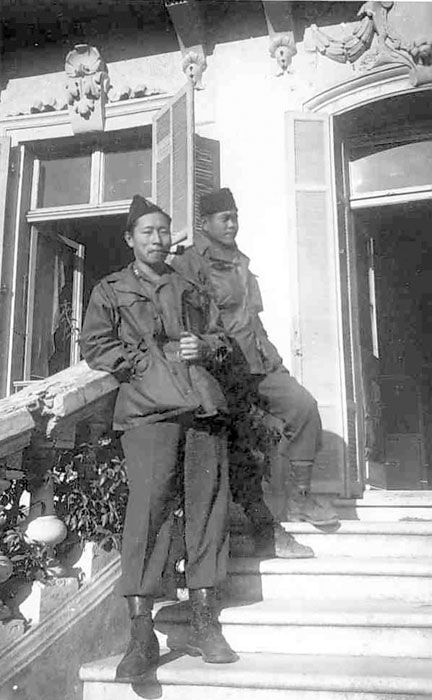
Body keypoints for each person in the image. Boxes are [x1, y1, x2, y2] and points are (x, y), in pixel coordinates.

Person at [81, 194, 239, 683]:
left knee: (208, 509)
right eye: (147, 232)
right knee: (148, 513)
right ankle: (141, 634)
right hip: (148, 411)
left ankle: (205, 622)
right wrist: (145, 364)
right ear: (130, 239)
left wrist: (204, 345)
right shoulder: (111, 289)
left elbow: (224, 338)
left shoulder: (190, 285)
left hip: (202, 405)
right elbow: (95, 345)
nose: (157, 239)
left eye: (163, 231)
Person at [173, 188, 339, 544]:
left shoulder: (240, 261)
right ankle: (263, 527)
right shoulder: (189, 263)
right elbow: (182, 320)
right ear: (204, 223)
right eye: (225, 218)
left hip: (256, 363)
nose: (232, 224)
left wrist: (274, 360)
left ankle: (300, 499)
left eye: (235, 217)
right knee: (241, 446)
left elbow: (252, 321)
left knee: (303, 406)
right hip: (220, 368)